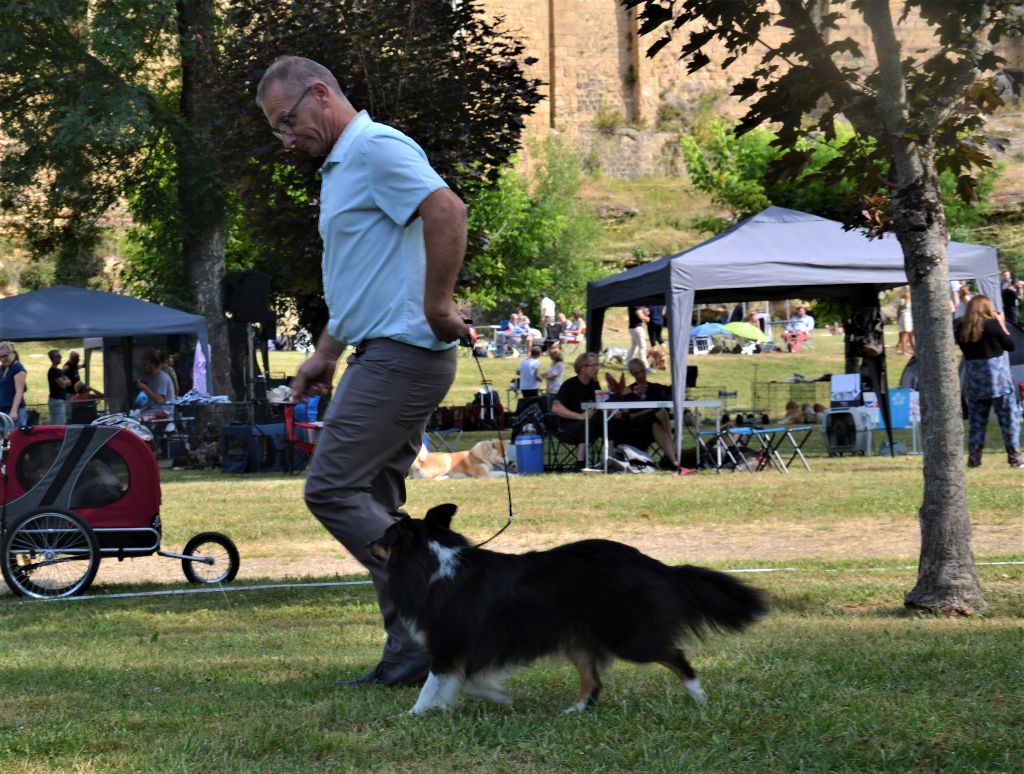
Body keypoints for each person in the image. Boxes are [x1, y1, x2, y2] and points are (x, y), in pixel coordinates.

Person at [257, 56, 469, 687]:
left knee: (330, 488)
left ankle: (442, 605)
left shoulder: (375, 148)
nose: (286, 138)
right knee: (374, 496)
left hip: (404, 354)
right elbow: (361, 281)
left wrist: (437, 305)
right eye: (277, 130)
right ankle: (409, 652)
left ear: (320, 94)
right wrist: (325, 352)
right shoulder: (344, 168)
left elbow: (447, 211)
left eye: (288, 121)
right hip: (379, 351)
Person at [954, 295, 1023, 468]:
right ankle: (1014, 457)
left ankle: (974, 459)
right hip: (997, 380)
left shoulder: (961, 327)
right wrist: (1001, 324)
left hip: (974, 380)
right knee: (1009, 419)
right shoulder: (991, 324)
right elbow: (1010, 345)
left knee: (977, 421)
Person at [609, 358, 679, 469]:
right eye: (637, 373)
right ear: (632, 374)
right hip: (635, 425)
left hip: (652, 425)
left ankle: (674, 461)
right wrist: (624, 395)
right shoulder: (629, 391)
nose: (641, 375)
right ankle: (674, 450)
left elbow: (667, 404)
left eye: (642, 371)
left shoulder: (655, 388)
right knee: (658, 411)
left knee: (657, 420)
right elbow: (625, 414)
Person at [552, 352, 613, 469]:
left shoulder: (594, 384)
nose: (596, 369)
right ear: (582, 367)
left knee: (610, 421)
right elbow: (555, 407)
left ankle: (610, 460)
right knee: (587, 422)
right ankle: (580, 463)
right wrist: (579, 416)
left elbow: (599, 405)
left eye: (597, 365)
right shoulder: (569, 384)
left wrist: (610, 393)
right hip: (567, 425)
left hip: (590, 422)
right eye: (593, 365)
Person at [0, 341, 28, 425]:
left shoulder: (18, 368)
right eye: (0, 357)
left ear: (12, 353)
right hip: (3, 412)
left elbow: (19, 391)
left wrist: (14, 410)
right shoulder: (3, 368)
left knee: (16, 438)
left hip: (14, 412)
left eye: (5, 356)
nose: (2, 359)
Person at [46, 349, 71, 425]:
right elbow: (62, 385)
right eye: (59, 356)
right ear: (53, 358)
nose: (61, 357)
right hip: (56, 400)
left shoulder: (59, 371)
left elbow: (69, 383)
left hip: (61, 399)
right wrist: (65, 380)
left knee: (61, 422)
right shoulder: (53, 371)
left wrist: (65, 381)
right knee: (58, 423)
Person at [897, 286, 914, 355]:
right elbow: (898, 311)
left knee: (910, 334)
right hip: (904, 317)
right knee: (905, 334)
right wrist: (898, 318)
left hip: (909, 317)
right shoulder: (903, 300)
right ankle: (904, 351)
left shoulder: (911, 299)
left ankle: (912, 350)